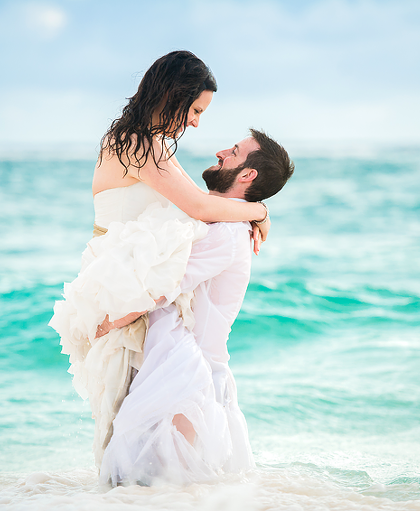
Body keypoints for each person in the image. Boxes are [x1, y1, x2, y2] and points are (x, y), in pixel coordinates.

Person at [48, 51, 270, 467]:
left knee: (135, 419)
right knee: (127, 419)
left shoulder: (150, 143)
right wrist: (260, 212)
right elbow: (203, 209)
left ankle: (141, 498)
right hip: (120, 284)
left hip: (131, 279)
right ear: (174, 94)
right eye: (196, 109)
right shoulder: (136, 144)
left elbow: (200, 203)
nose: (195, 122)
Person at [99, 129, 295, 487]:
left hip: (186, 375)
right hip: (182, 369)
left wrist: (103, 323)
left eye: (234, 152)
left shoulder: (227, 232)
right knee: (153, 490)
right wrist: (260, 210)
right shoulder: (222, 221)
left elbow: (161, 287)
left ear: (247, 175)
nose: (222, 152)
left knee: (152, 487)